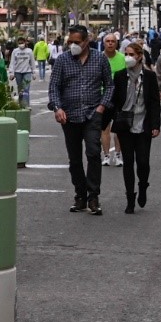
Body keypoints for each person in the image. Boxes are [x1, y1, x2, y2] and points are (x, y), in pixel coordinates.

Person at [49, 25, 115, 215]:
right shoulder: (62, 60)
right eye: (70, 42)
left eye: (76, 42)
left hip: (92, 114)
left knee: (94, 153)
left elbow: (109, 86)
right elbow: (54, 87)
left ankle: (93, 196)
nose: (73, 45)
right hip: (69, 116)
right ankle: (80, 195)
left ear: (86, 41)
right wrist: (57, 107)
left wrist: (102, 107)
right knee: (74, 159)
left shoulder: (99, 58)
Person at [105, 41, 161, 213]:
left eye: (131, 54)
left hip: (143, 124)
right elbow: (114, 101)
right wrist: (106, 119)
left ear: (139, 57)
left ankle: (143, 185)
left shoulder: (149, 77)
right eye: (126, 54)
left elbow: (154, 102)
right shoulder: (121, 76)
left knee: (143, 161)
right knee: (128, 162)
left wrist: (155, 124)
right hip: (125, 124)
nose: (128, 57)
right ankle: (130, 197)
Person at [99, 33, 126, 166]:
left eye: (113, 41)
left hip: (119, 96)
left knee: (119, 127)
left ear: (116, 44)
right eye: (107, 41)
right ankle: (106, 155)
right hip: (103, 96)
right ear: (103, 43)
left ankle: (118, 154)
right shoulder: (99, 58)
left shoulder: (122, 58)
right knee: (105, 128)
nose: (110, 43)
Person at [9, 36, 36, 105]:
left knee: (26, 89)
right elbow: (12, 62)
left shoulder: (29, 51)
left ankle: (26, 104)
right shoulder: (15, 51)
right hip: (18, 72)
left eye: (22, 42)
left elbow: (32, 62)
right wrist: (11, 72)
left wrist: (34, 72)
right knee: (20, 89)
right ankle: (21, 104)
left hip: (27, 72)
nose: (21, 44)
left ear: (25, 42)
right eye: (19, 43)